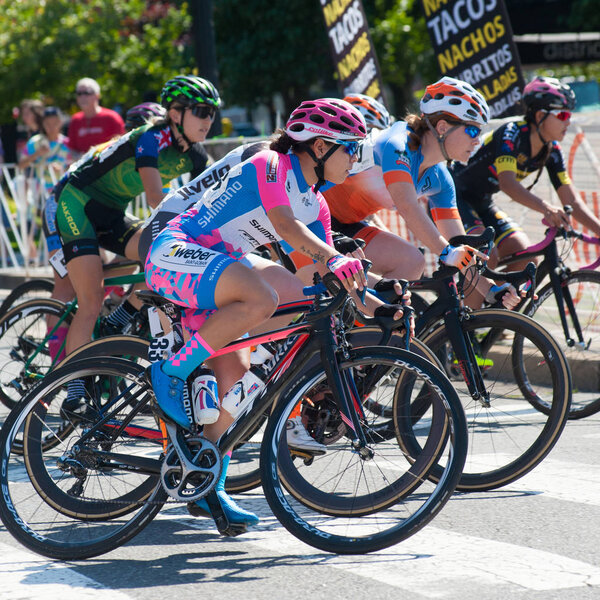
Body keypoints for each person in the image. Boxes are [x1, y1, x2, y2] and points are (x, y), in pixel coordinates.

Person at [144, 98, 407, 528]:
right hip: (176, 250)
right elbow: (285, 227)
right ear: (320, 147)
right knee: (264, 298)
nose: (356, 160)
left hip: (221, 265)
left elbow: (323, 271)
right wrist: (334, 257)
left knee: (243, 382)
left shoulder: (316, 204)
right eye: (351, 149)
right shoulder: (271, 164)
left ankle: (208, 483)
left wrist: (381, 305)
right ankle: (172, 371)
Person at [55, 75, 215, 411]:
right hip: (77, 205)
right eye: (200, 111)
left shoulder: (196, 153)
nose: (208, 120)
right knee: (91, 301)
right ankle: (74, 391)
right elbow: (158, 197)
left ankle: (122, 317)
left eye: (212, 112)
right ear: (175, 113)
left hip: (112, 212)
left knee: (163, 255)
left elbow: (217, 195)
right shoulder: (149, 138)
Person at [320, 82, 519, 307]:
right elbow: (406, 206)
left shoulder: (441, 178)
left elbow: (458, 243)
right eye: (472, 130)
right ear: (442, 127)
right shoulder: (397, 144)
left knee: (412, 262)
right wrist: (446, 252)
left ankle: (366, 336)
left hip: (344, 225)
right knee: (371, 301)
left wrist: (490, 289)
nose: (478, 140)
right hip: (307, 215)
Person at [452, 76, 600, 276]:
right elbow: (508, 184)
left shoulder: (552, 150)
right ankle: (468, 305)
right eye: (563, 115)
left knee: (526, 257)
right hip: (454, 198)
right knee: (488, 255)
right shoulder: (511, 135)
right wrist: (547, 208)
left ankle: (492, 305)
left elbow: (571, 200)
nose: (569, 121)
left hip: (482, 202)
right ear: (540, 116)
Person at [67, 78, 125, 155]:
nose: (83, 97)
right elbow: (72, 149)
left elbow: (121, 145)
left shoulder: (112, 118)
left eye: (87, 93)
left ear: (97, 96)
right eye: (79, 93)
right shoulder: (75, 120)